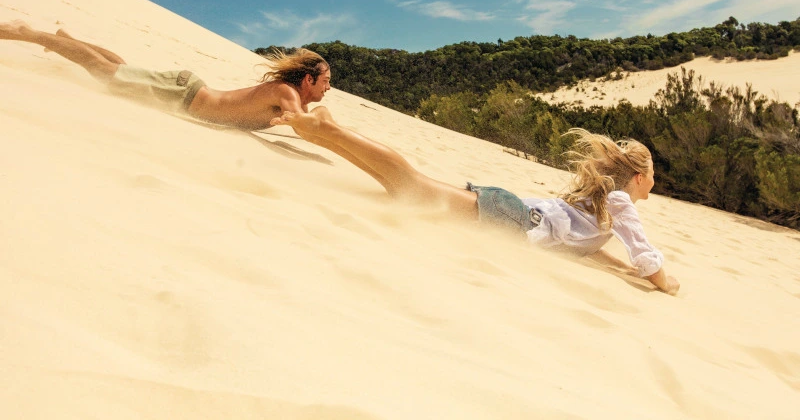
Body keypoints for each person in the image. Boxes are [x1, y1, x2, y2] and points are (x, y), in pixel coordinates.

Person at [272, 110, 681, 295]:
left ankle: (326, 135)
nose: (654, 185)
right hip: (512, 218)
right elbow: (650, 261)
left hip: (510, 212)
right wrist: (667, 284)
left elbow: (588, 246)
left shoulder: (604, 205)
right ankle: (330, 130)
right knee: (410, 185)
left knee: (402, 190)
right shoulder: (623, 205)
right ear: (640, 177)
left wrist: (624, 269)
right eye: (653, 178)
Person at [0, 20, 330, 130]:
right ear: (308, 80)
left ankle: (67, 41)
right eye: (326, 82)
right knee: (105, 74)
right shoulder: (288, 93)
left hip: (185, 91)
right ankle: (31, 34)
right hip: (184, 95)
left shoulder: (287, 93)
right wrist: (325, 122)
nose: (328, 89)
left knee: (121, 69)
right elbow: (303, 124)